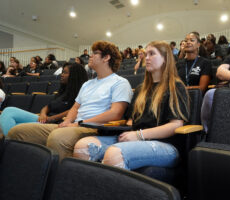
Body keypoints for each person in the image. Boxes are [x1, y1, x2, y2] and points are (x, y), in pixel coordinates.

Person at [73, 41, 190, 171]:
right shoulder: (141, 89)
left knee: (114, 154)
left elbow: (176, 125)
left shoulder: (175, 86)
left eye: (152, 54)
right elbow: (130, 122)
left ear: (165, 59)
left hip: (166, 146)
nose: (146, 58)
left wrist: (139, 135)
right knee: (83, 147)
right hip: (138, 139)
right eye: (146, 54)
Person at [8, 40, 133, 160]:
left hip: (94, 129)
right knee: (17, 132)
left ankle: (62, 177)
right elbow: (75, 107)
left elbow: (116, 113)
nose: (90, 56)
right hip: (75, 126)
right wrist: (67, 122)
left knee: (58, 138)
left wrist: (79, 123)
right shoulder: (87, 84)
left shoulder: (120, 83)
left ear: (106, 58)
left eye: (95, 53)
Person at [0, 63, 88, 135]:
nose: (62, 75)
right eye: (62, 72)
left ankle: (8, 145)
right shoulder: (63, 91)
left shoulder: (80, 93)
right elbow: (48, 106)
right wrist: (43, 114)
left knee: (12, 119)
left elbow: (73, 111)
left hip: (56, 123)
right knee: (9, 113)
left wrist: (52, 118)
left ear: (74, 76)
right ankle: (9, 144)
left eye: (65, 72)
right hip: (45, 120)